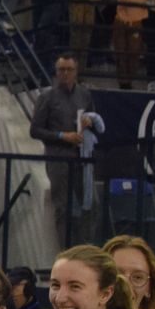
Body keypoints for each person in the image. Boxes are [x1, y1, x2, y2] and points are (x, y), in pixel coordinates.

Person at [28, 54, 101, 246]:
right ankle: (66, 251)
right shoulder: (47, 97)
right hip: (58, 159)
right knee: (64, 207)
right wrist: (62, 136)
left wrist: (89, 122)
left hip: (81, 157)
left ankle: (87, 248)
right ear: (56, 72)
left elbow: (93, 119)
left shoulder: (84, 94)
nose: (65, 74)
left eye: (69, 69)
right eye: (62, 70)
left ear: (76, 72)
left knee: (91, 204)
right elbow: (35, 130)